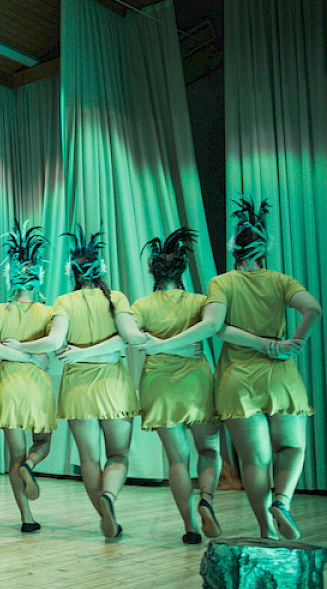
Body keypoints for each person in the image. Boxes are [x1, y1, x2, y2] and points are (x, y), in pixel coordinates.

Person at [206, 200, 320, 539]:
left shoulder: (222, 283)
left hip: (238, 380)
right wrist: (292, 343)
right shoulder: (281, 280)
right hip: (279, 376)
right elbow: (313, 309)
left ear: (234, 249)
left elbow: (217, 326)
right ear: (264, 248)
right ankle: (282, 501)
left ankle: (266, 530)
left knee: (255, 460)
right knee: (292, 447)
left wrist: (258, 343)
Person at [118, 228, 222, 544]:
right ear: (182, 269)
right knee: (209, 449)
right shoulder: (200, 301)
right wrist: (183, 347)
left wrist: (159, 345)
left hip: (159, 384)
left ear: (154, 271)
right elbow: (211, 327)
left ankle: (190, 527)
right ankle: (206, 499)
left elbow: (133, 338)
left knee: (177, 460)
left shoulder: (141, 306)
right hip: (197, 382)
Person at [50, 227, 143, 539]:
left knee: (89, 460)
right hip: (113, 386)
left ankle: (106, 519)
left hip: (78, 389)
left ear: (73, 272)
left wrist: (79, 353)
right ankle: (109, 497)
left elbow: (57, 342)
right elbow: (129, 337)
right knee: (118, 456)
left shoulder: (64, 301)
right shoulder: (115, 297)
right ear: (100, 269)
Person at [0, 224, 58, 533]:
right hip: (37, 386)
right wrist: (34, 357)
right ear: (39, 276)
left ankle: (27, 517)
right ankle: (32, 463)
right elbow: (53, 346)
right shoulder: (49, 311)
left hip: (9, 387)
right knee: (42, 443)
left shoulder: (0, 310)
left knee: (14, 454)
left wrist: (15, 351)